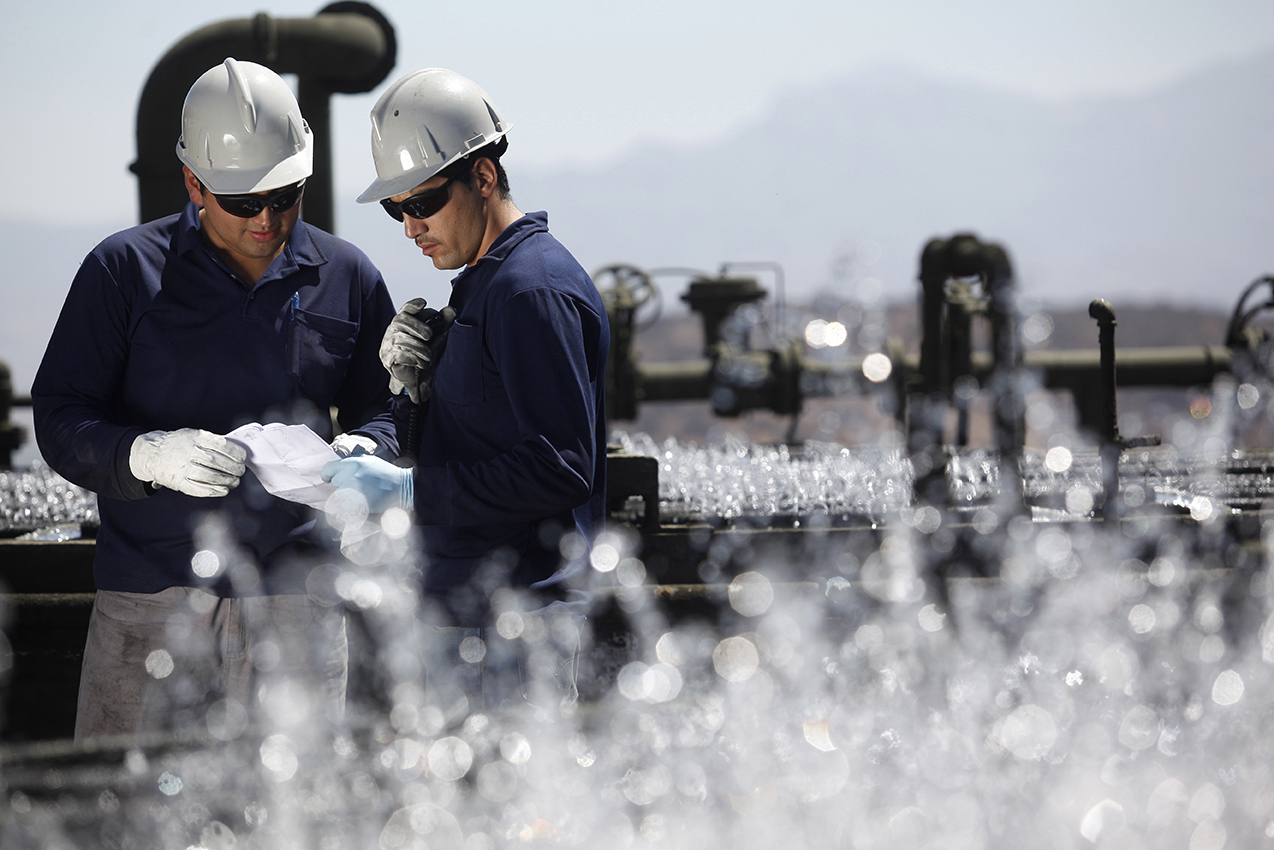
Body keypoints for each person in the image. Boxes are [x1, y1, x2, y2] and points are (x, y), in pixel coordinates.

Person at [31, 58, 399, 739]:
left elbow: (387, 407)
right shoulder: (123, 273)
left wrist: (367, 449)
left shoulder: (347, 277)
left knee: (299, 827)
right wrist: (143, 455)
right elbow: (60, 416)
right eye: (244, 202)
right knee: (128, 815)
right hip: (149, 601)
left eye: (286, 196)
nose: (268, 219)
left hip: (299, 601)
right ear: (193, 183)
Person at [321, 68, 609, 710]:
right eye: (398, 209)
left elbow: (561, 469)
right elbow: (480, 437)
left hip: (518, 623)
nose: (409, 227)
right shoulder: (485, 283)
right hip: (467, 613)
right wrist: (412, 399)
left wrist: (406, 490)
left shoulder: (531, 291)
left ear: (483, 176)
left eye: (423, 203)